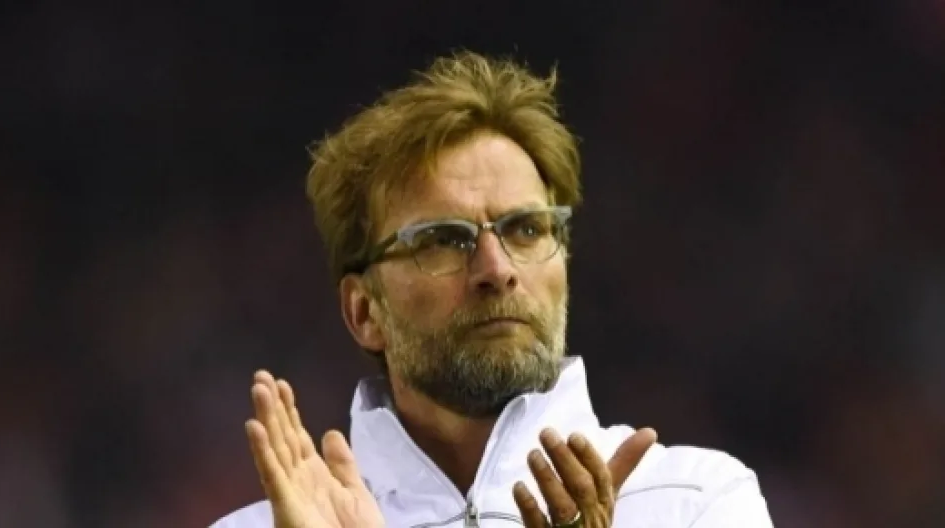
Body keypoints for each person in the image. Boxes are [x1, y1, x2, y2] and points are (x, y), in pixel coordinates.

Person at [211, 51, 774, 528]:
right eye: (444, 240)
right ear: (364, 312)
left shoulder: (695, 502)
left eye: (526, 229)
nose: (496, 269)